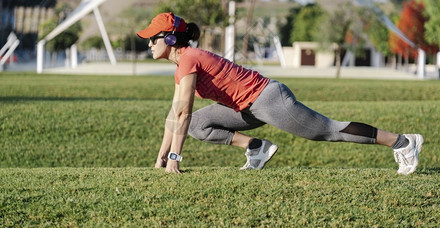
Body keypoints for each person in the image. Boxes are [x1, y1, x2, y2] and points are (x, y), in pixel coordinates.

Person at [137, 12, 424, 175]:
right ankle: (256, 148)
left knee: (327, 130)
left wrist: (175, 156)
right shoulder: (182, 64)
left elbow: (183, 112)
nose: (149, 44)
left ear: (171, 38)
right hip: (244, 108)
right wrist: (161, 157)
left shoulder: (188, 58)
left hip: (268, 99)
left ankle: (402, 142)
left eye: (153, 38)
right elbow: (175, 115)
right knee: (200, 125)